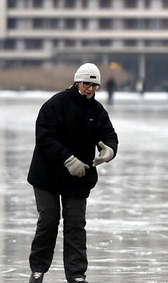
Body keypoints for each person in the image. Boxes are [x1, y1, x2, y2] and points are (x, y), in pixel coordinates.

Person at [26, 63, 119, 283]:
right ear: (77, 81)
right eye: (87, 84)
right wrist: (67, 159)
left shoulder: (97, 111)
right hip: (47, 176)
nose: (90, 89)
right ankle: (38, 270)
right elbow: (45, 137)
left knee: (76, 224)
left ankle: (76, 275)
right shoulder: (56, 104)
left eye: (95, 86)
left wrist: (109, 150)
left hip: (78, 179)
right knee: (49, 219)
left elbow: (109, 134)